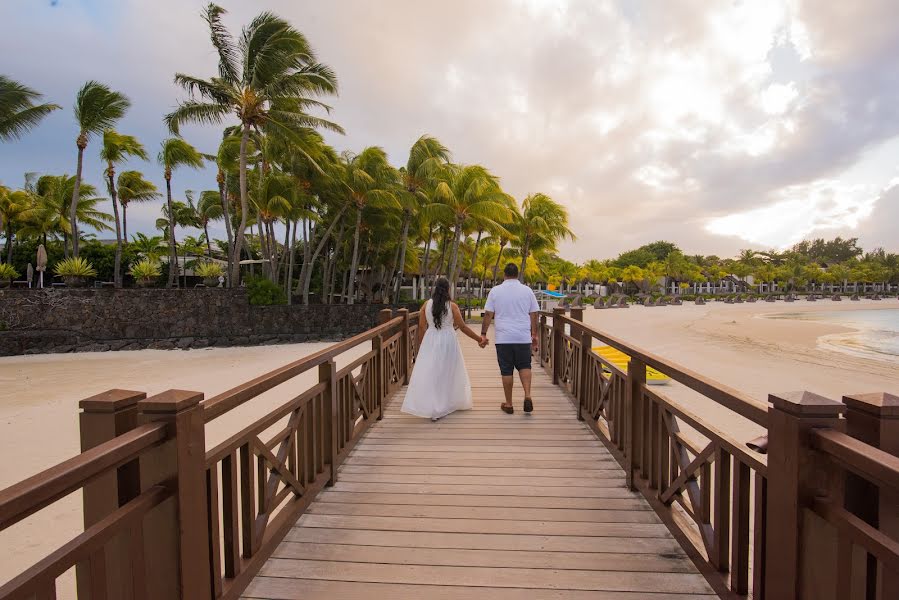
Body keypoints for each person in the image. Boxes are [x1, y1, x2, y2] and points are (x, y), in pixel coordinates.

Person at [401, 277, 485, 421]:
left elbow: (421, 327)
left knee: (433, 371)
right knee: (447, 370)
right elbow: (463, 327)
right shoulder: (452, 306)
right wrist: (479, 339)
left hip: (430, 340)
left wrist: (420, 346)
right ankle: (443, 403)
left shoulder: (426, 305)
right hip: (448, 340)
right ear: (447, 289)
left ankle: (435, 405)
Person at [480, 263, 540, 414]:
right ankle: (527, 395)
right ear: (517, 275)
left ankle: (509, 404)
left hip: (503, 338)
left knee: (507, 370)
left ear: (504, 275)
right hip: (522, 336)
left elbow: (488, 314)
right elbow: (534, 314)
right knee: (525, 366)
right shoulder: (527, 291)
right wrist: (534, 334)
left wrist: (483, 333)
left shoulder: (495, 291)